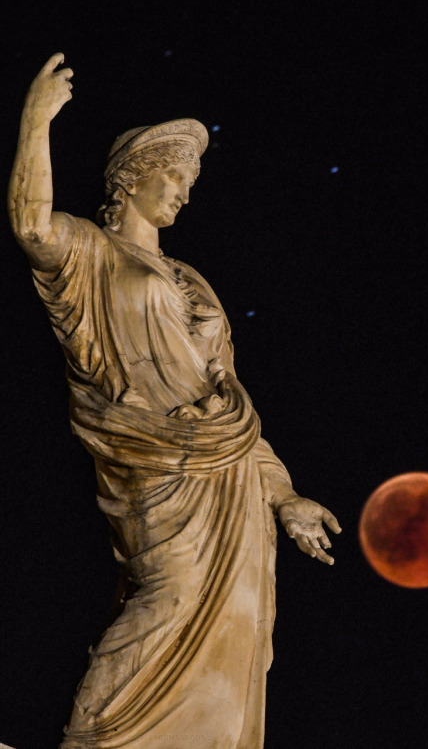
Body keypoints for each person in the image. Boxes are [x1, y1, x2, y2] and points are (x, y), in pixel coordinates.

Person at [8, 53, 342, 749]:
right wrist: (37, 120)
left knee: (238, 624)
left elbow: (232, 403)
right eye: (174, 177)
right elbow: (31, 225)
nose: (184, 194)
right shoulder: (91, 254)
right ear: (131, 179)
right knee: (165, 603)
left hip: (231, 479)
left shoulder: (192, 279)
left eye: (191, 182)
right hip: (154, 470)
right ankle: (90, 740)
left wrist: (285, 498)